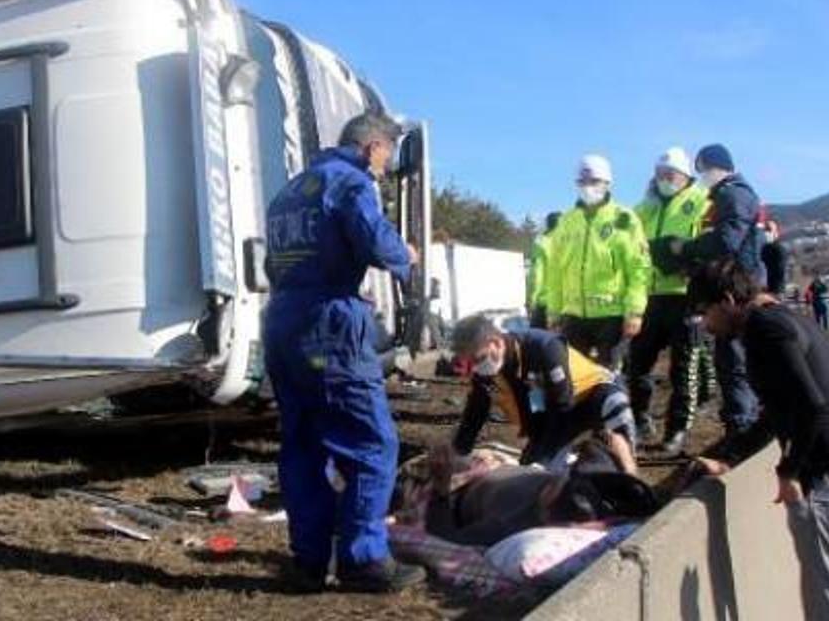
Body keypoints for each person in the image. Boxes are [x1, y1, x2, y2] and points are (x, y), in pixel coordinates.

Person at [263, 112, 425, 593]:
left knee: (303, 444)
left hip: (283, 320)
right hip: (328, 326)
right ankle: (363, 559)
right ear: (372, 146)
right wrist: (406, 255)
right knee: (373, 443)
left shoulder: (290, 190)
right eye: (387, 154)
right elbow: (376, 241)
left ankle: (309, 561)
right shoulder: (351, 182)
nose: (386, 165)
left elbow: (282, 260)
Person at [689, 260, 829, 621]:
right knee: (827, 603)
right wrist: (731, 456)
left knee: (828, 612)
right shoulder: (788, 319)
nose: (705, 325)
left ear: (728, 300)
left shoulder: (765, 328)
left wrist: (788, 470)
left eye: (704, 312)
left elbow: (811, 406)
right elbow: (781, 410)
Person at [449, 315, 638, 475]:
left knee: (615, 416)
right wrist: (457, 453)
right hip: (552, 413)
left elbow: (561, 405)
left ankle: (626, 474)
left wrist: (547, 450)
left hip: (590, 396)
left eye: (478, 359)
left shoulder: (544, 347)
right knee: (532, 474)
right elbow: (475, 411)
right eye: (469, 363)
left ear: (496, 343)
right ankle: (573, 463)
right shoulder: (485, 371)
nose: (476, 367)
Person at [667, 144, 764, 449]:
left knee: (734, 362)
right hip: (735, 287)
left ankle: (741, 429)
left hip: (736, 291)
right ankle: (740, 423)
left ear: (717, 167)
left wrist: (687, 248)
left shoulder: (732, 195)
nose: (701, 178)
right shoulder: (733, 194)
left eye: (703, 170)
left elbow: (725, 241)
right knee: (732, 361)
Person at [628, 147, 712, 451]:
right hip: (649, 296)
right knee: (637, 366)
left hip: (684, 296)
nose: (664, 179)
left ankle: (676, 430)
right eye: (660, 174)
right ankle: (639, 419)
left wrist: (683, 256)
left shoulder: (701, 201)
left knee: (683, 368)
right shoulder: (642, 209)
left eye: (671, 174)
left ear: (685, 175)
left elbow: (713, 241)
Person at [422, 441, 657, 547]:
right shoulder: (588, 489)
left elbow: (446, 538)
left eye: (553, 488)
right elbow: (596, 446)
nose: (553, 481)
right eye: (558, 480)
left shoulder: (507, 524)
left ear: (546, 512)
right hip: (495, 465)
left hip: (461, 489)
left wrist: (441, 488)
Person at [545, 155, 651, 370]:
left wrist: (635, 311)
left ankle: (615, 404)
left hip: (611, 316)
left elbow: (639, 268)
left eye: (594, 181)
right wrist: (553, 312)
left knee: (609, 376)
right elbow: (555, 271)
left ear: (607, 183)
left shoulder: (624, 219)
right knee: (575, 376)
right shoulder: (566, 221)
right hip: (573, 315)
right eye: (582, 182)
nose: (588, 187)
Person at [527, 212, 562, 329]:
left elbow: (537, 275)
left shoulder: (541, 243)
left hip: (546, 302)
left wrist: (532, 300)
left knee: (536, 340)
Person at [761, 217, 790, 298]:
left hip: (773, 292)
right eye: (765, 229)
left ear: (776, 233)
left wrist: (775, 293)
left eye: (769, 229)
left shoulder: (779, 249)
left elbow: (781, 272)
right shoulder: (761, 248)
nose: (766, 232)